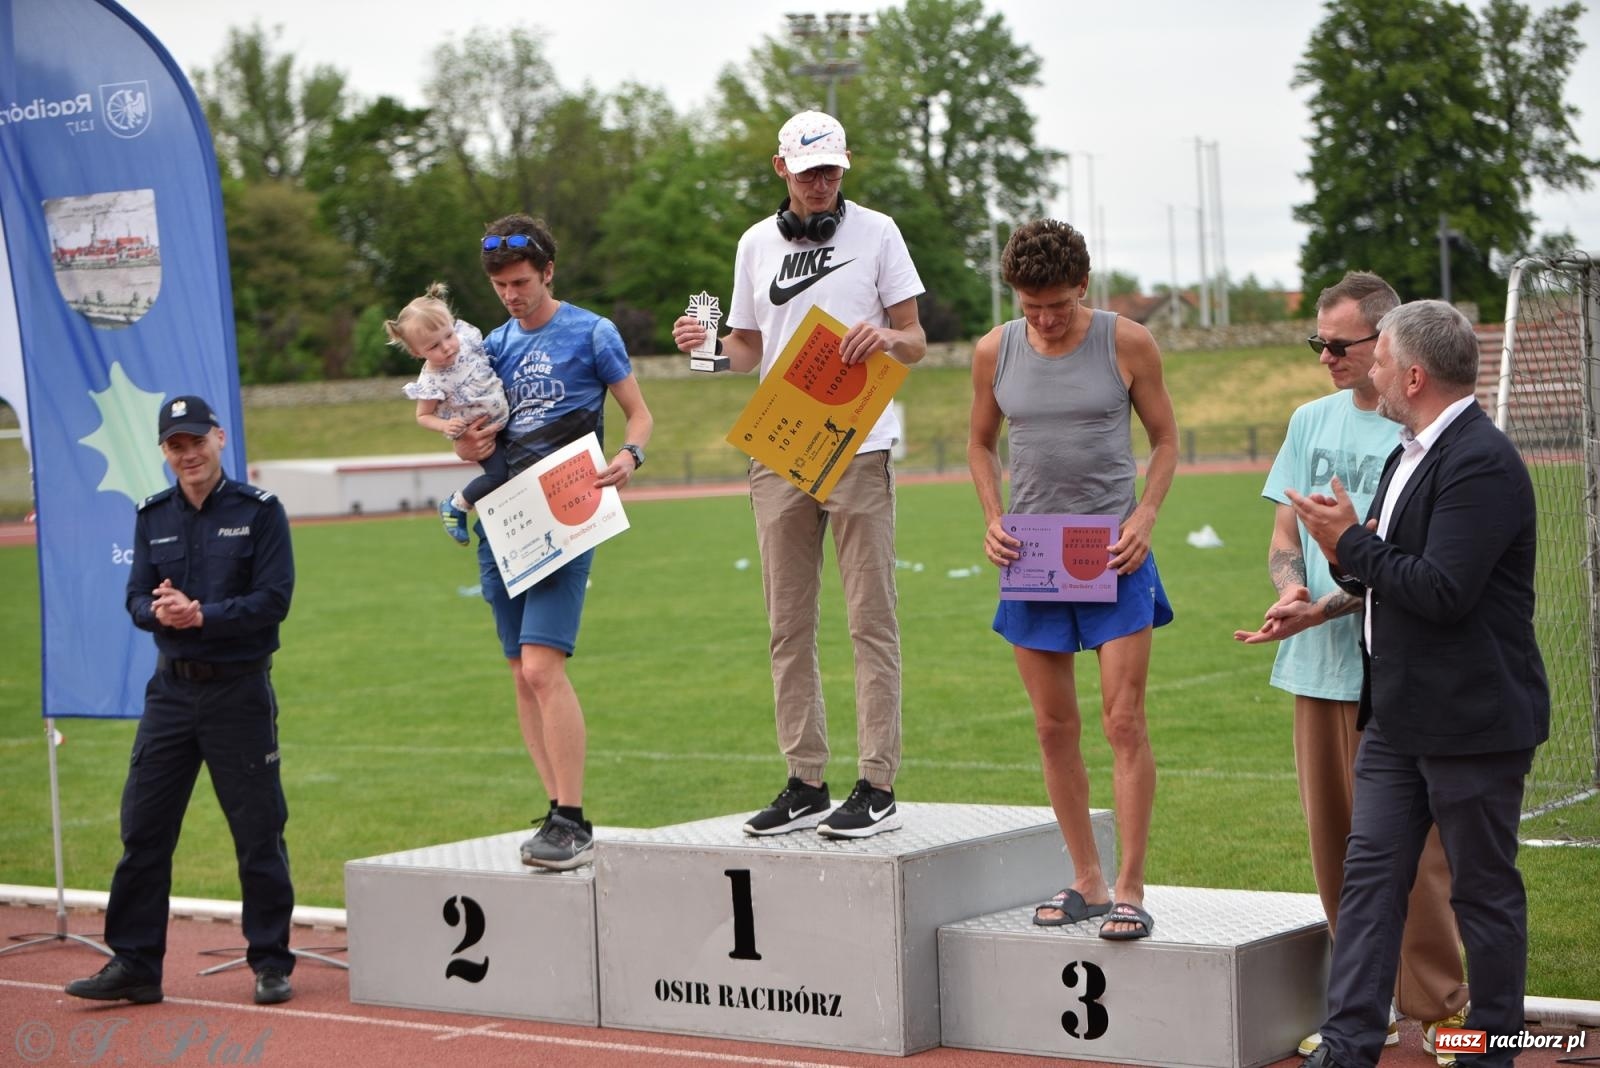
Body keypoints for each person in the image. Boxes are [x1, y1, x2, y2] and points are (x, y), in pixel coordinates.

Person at [1289, 300, 1548, 1068]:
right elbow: (1385, 573)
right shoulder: (1410, 450)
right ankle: (1349, 1046)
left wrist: (1351, 542)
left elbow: (1441, 591)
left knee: (1481, 895)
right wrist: (1338, 555)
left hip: (1473, 721)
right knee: (1369, 884)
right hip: (1399, 718)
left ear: (1413, 373)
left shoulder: (1481, 460)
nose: (1365, 372)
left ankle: (1488, 1052)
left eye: (1377, 361)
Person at [670, 109, 926, 839]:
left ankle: (877, 784)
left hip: (859, 439)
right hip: (781, 446)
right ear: (781, 168)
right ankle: (805, 780)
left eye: (834, 170)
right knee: (787, 625)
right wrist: (705, 350)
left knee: (869, 620)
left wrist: (891, 336)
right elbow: (747, 351)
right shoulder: (755, 243)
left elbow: (916, 340)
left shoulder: (878, 232)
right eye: (811, 170)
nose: (823, 183)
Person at [1234, 272, 1469, 1059]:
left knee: (1416, 856)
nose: (1327, 357)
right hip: (1315, 671)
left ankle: (1437, 1010)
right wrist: (1291, 586)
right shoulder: (1309, 420)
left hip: (1392, 670)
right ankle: (1358, 1012)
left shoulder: (1416, 433)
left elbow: (1403, 564)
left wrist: (1328, 601)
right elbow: (1281, 537)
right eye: (1318, 344)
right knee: (1335, 851)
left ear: (1386, 342)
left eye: (1340, 345)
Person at [967, 219, 1178, 940]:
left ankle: (1130, 885)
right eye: (1030, 308)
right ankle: (1085, 877)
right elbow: (978, 441)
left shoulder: (1126, 342)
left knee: (1124, 722)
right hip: (1033, 556)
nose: (1046, 321)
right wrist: (992, 515)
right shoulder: (995, 350)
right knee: (1054, 728)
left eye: (1056, 305)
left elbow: (1167, 439)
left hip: (1114, 551)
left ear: (1082, 286)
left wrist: (1146, 514)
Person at [66, 395, 296, 1007]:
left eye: (196, 440)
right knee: (143, 831)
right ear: (165, 452)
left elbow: (274, 601)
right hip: (170, 694)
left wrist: (202, 615)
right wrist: (159, 610)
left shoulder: (261, 512)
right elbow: (136, 596)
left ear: (219, 438)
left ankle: (271, 961)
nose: (188, 453)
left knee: (257, 833)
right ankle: (136, 965)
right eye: (176, 445)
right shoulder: (153, 515)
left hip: (238, 693)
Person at [453, 214, 653, 870]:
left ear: (548, 273)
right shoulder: (491, 344)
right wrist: (466, 441)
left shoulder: (592, 332)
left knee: (543, 667)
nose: (511, 295)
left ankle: (573, 817)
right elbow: (472, 434)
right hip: (504, 518)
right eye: (499, 285)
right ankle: (554, 813)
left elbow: (640, 411)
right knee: (519, 671)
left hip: (567, 511)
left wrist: (630, 455)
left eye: (520, 282)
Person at [386, 283, 510, 546]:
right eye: (433, 346)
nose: (446, 347)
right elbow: (423, 416)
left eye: (448, 335)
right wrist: (445, 426)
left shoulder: (466, 340)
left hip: (510, 421)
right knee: (498, 475)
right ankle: (457, 505)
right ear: (416, 352)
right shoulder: (431, 380)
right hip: (484, 435)